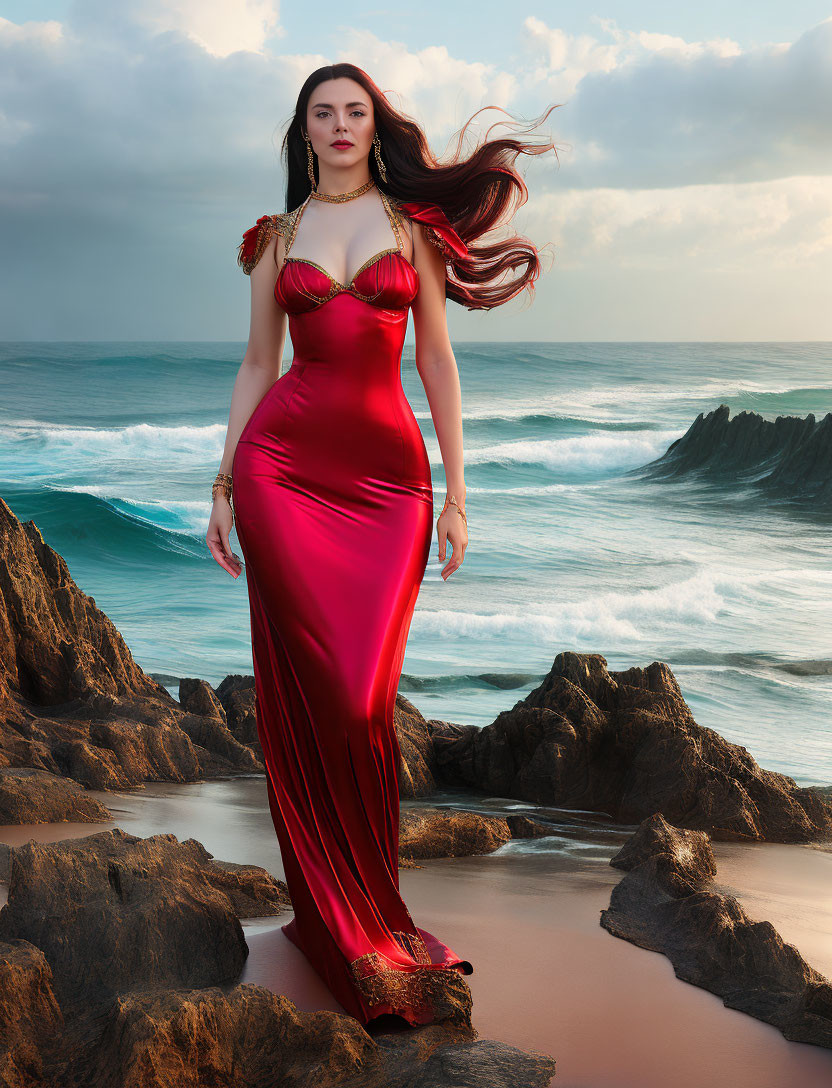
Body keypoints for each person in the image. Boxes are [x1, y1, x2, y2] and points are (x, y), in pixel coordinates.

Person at [206, 63, 557, 1029]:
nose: (341, 125)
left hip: (390, 486)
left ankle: (367, 906)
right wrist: (225, 485)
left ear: (374, 125)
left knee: (363, 697)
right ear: (304, 132)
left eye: (355, 110)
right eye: (324, 113)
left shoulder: (413, 231)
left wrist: (455, 491)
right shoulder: (276, 241)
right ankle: (339, 922)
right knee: (320, 688)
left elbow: (436, 358)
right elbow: (256, 366)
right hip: (283, 470)